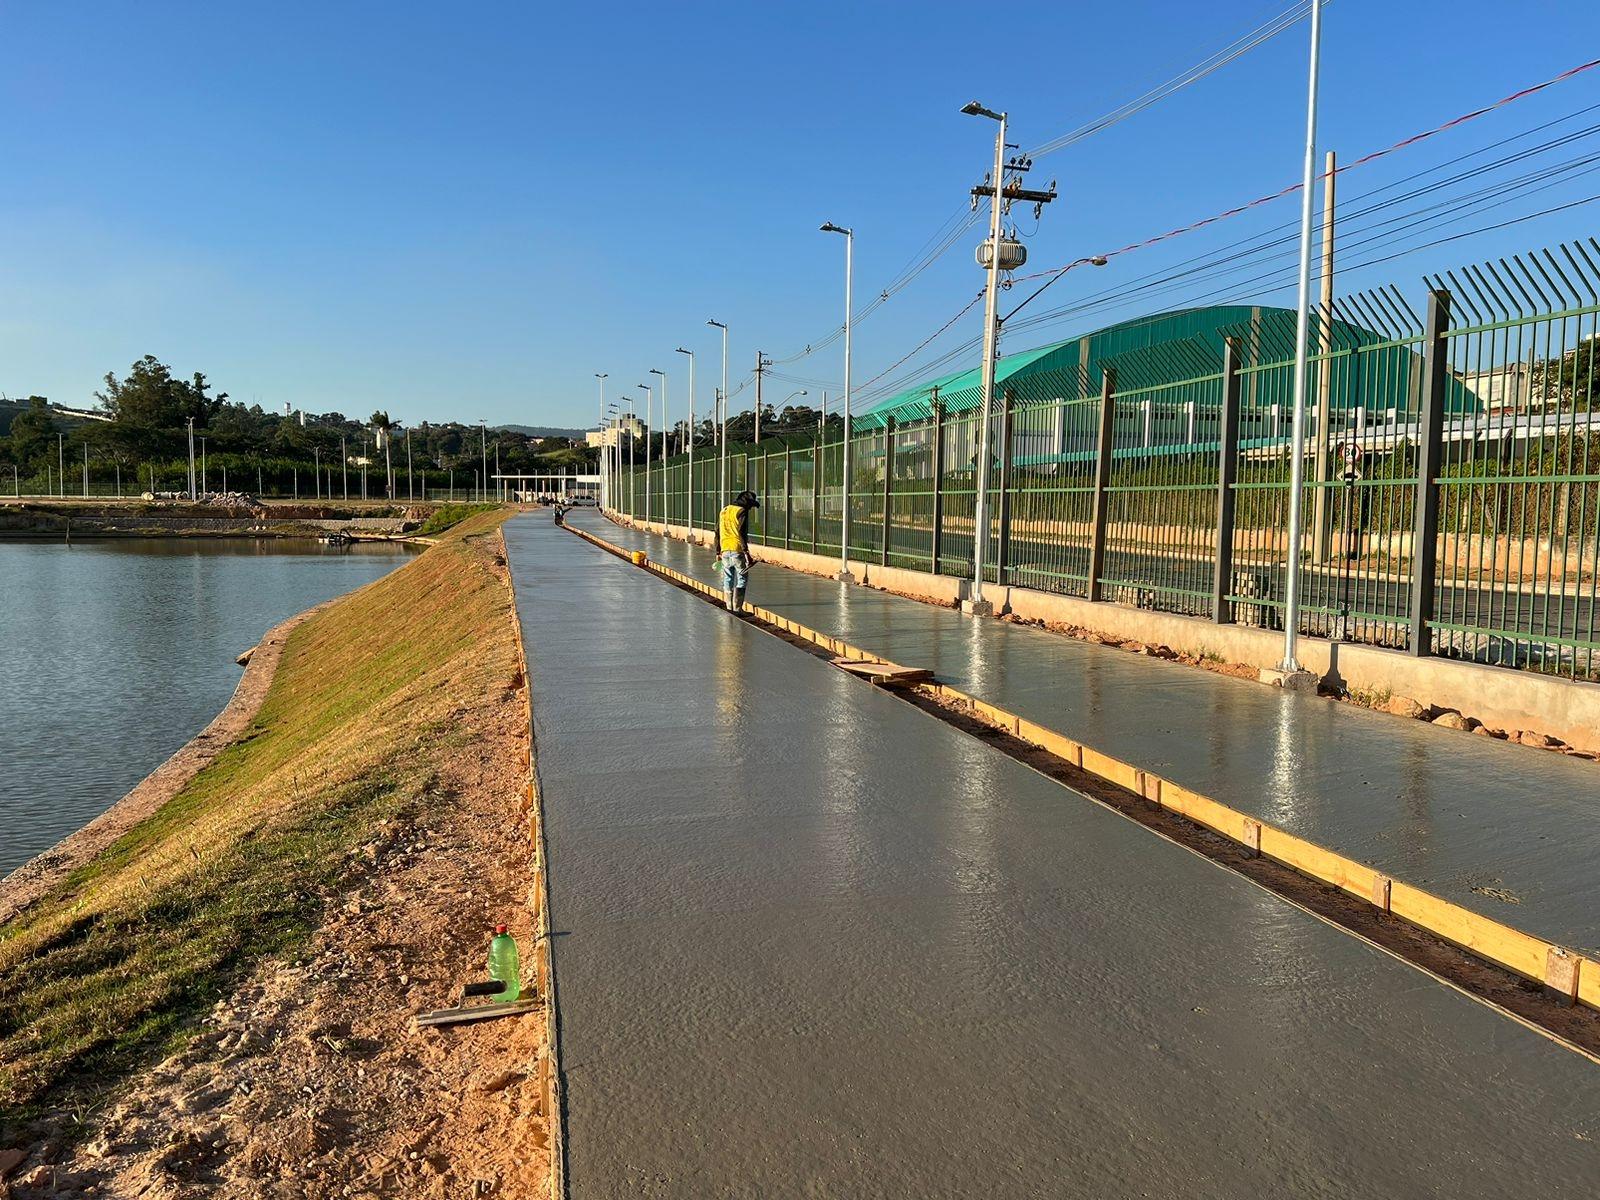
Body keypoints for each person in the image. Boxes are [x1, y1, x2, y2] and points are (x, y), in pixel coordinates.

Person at [715, 490, 760, 612]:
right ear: (747, 503)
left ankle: (729, 606)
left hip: (724, 549)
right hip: (737, 549)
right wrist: (746, 552)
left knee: (728, 577)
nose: (750, 509)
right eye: (750, 506)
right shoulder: (742, 511)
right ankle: (738, 608)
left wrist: (717, 551)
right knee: (742, 576)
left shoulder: (724, 510)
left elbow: (717, 531)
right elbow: (741, 533)